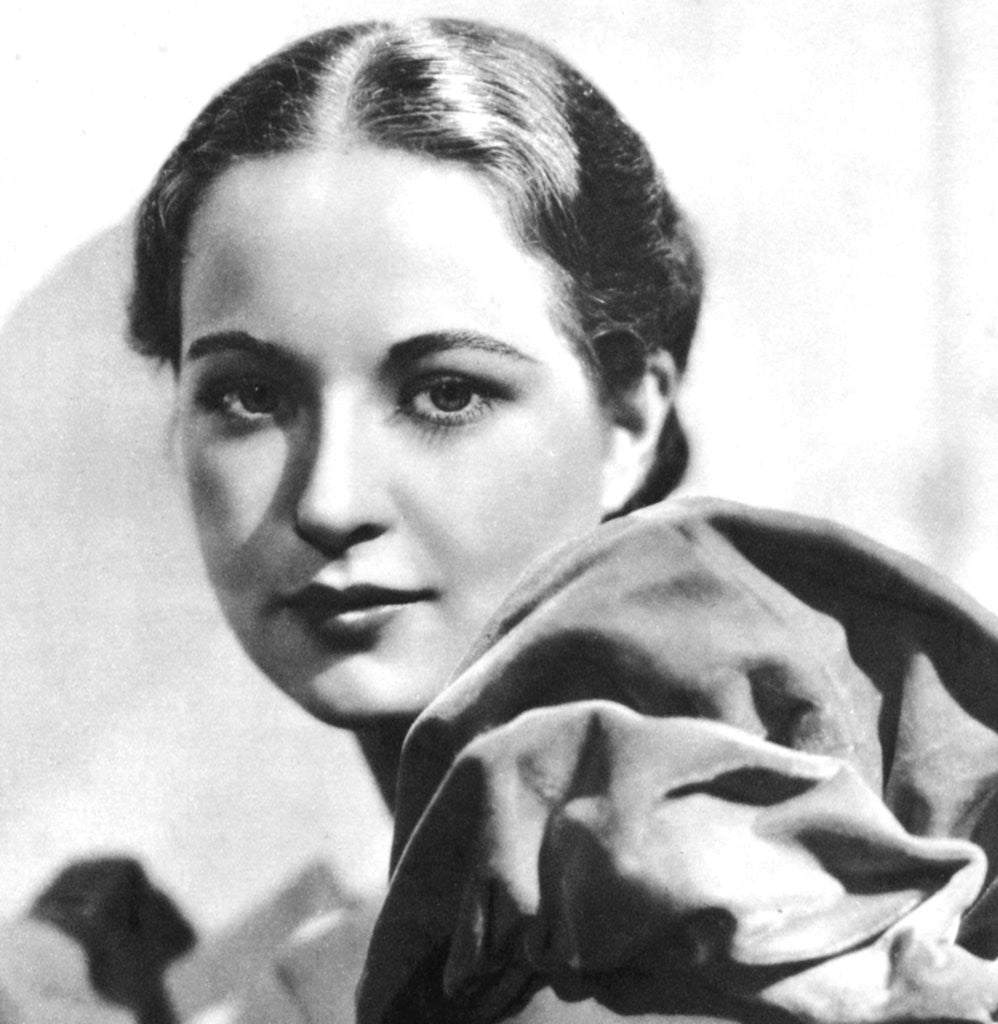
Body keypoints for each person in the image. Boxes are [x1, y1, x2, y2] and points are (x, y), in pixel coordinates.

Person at [124, 16, 998, 1024]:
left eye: (446, 393)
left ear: (629, 417)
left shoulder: (757, 923)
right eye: (249, 396)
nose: (329, 502)